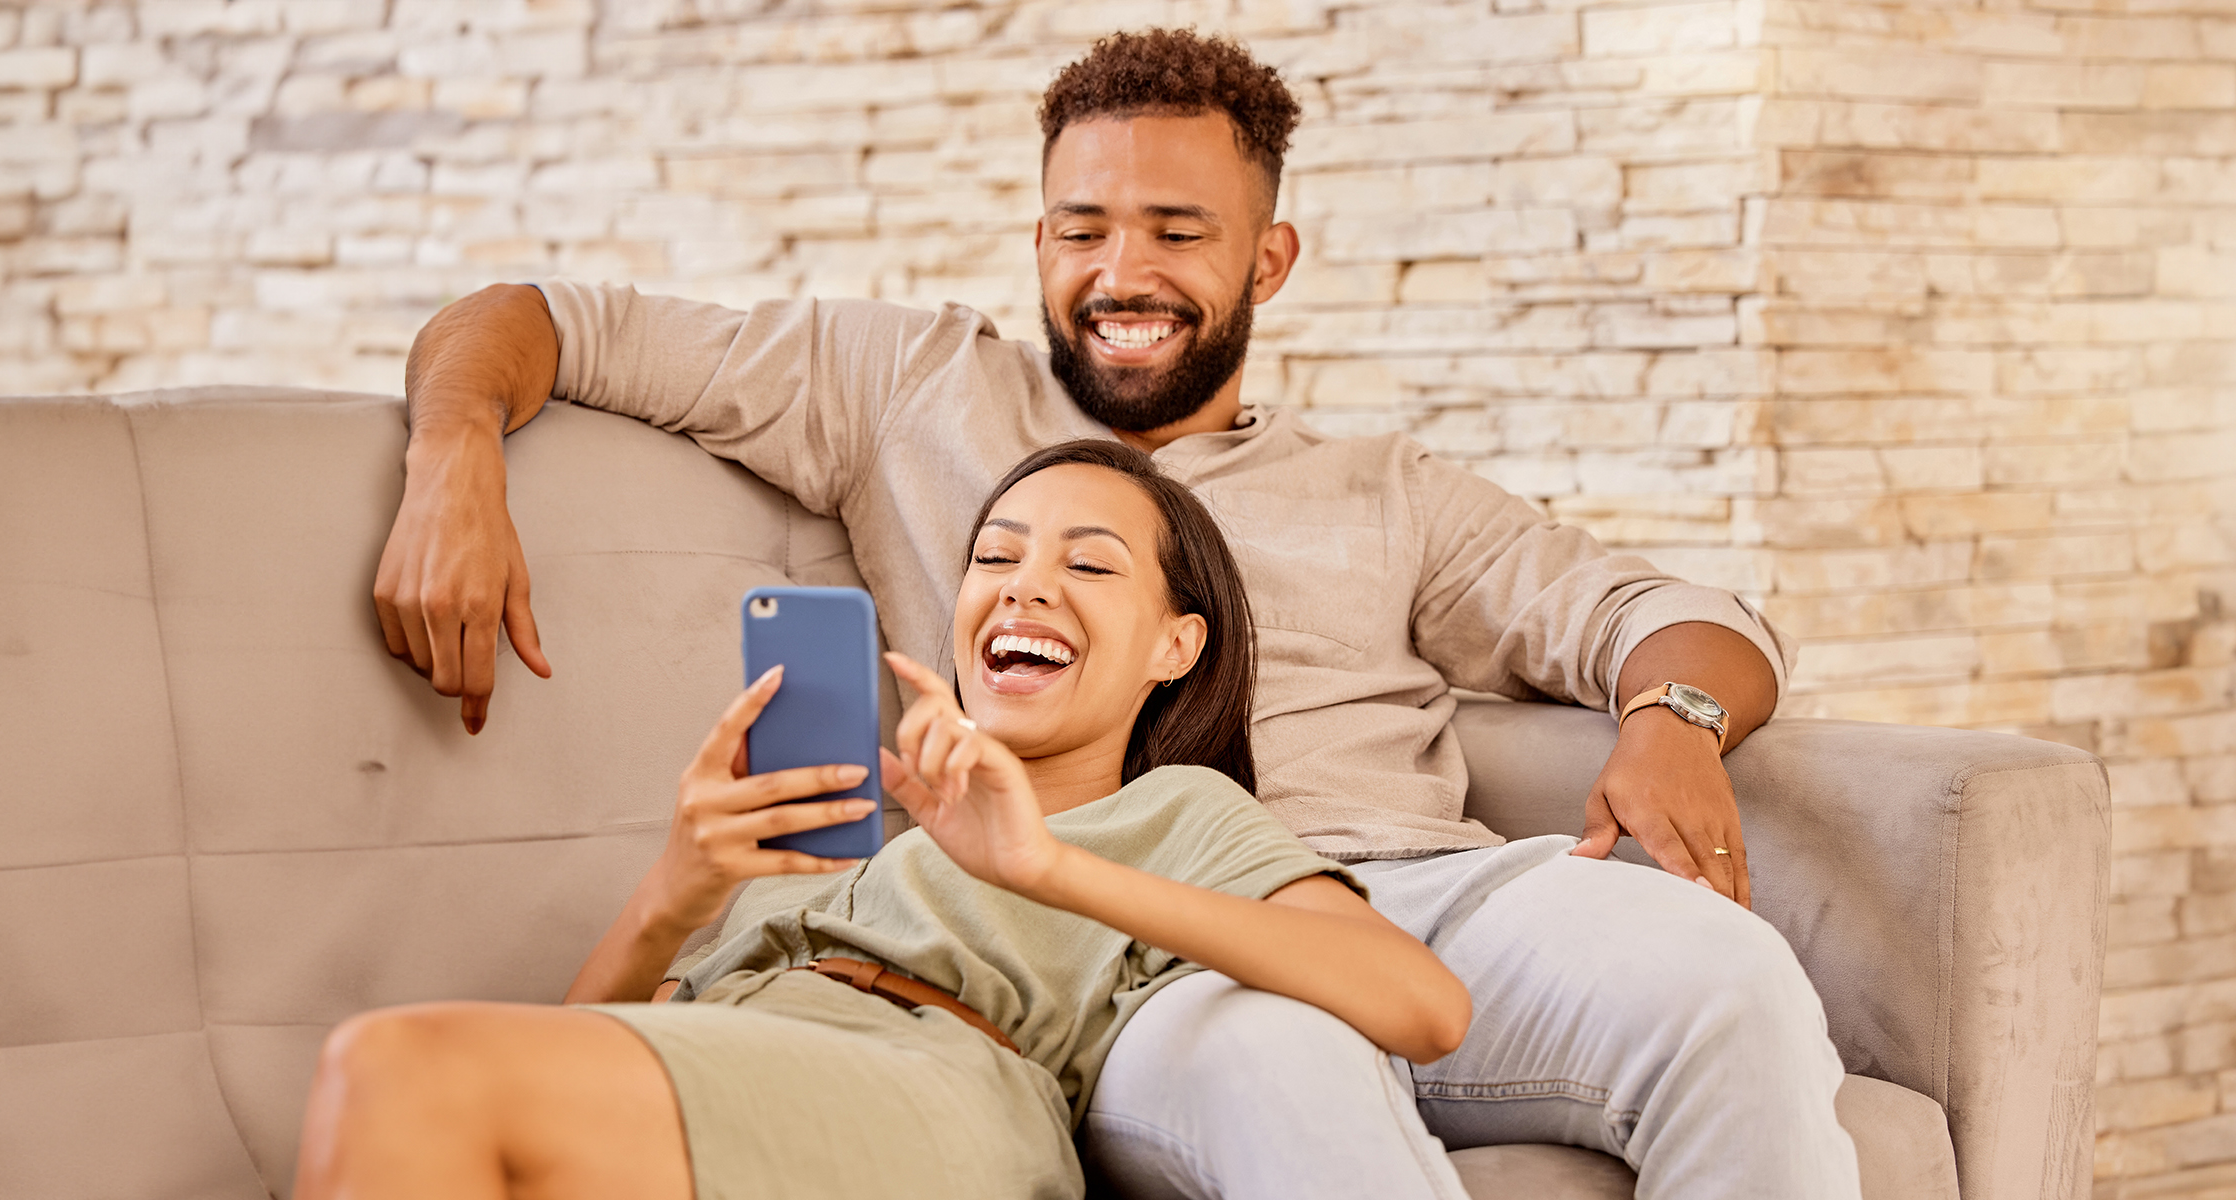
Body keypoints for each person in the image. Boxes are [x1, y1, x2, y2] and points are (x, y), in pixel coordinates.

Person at [371, 27, 1860, 1199]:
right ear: (1037, 244)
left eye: (1175, 231)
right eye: (1080, 229)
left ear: (1267, 260)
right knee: (1277, 1064)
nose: (1120, 274)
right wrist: (454, 455)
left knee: (1726, 976)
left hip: (1400, 892)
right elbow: (538, 320)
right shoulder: (907, 389)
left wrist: (1675, 720)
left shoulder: (1386, 492)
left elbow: (1664, 616)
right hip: (1119, 951)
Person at [295, 442, 1473, 1199]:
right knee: (407, 1081)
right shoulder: (842, 822)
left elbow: (1424, 1006)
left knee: (396, 1065)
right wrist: (676, 889)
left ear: (1176, 645)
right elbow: (593, 1047)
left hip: (935, 1082)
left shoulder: (1172, 810)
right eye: (995, 556)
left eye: (1091, 566)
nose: (1023, 584)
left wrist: (1045, 865)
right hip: (755, 1054)